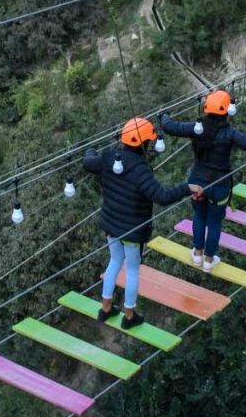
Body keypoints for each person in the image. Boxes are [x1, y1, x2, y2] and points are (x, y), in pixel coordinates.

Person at [84, 118, 203, 328]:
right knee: (131, 270)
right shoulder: (140, 170)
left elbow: (88, 162)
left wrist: (91, 150)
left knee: (114, 262)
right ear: (144, 144)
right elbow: (163, 196)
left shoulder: (109, 157)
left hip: (111, 226)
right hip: (132, 231)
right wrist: (187, 187)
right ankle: (129, 316)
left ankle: (106, 308)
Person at [159, 91, 246, 271]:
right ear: (227, 111)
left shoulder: (196, 127)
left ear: (206, 109)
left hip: (197, 182)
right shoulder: (230, 133)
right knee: (215, 221)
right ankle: (209, 260)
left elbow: (170, 127)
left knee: (200, 216)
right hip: (220, 185)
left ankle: (197, 253)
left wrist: (163, 116)